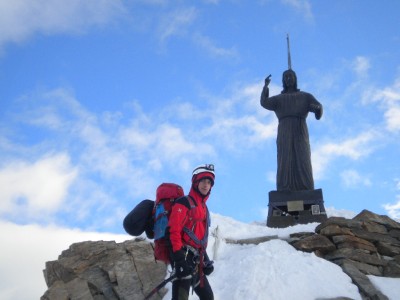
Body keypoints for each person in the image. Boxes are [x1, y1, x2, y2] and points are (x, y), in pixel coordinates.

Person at [260, 69, 323, 192]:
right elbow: (264, 102)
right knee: (285, 158)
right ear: (283, 80)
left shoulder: (305, 96)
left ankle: (306, 187)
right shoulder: (279, 99)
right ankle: (284, 188)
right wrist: (265, 86)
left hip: (300, 130)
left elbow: (317, 108)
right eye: (286, 77)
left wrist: (317, 109)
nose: (288, 79)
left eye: (291, 76)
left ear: (295, 79)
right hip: (284, 131)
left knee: (302, 157)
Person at [167, 164, 215, 300]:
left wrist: (205, 261)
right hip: (182, 256)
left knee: (208, 297)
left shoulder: (204, 208)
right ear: (195, 182)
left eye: (209, 182)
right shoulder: (184, 202)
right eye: (203, 181)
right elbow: (173, 231)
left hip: (196, 262)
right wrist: (179, 260)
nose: (206, 185)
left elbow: (199, 239)